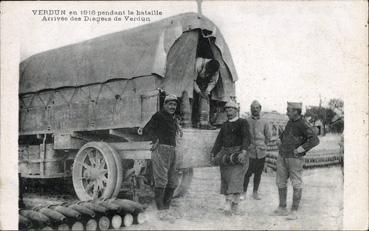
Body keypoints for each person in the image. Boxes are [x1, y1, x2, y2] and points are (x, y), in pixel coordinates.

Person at [273, 102, 319, 220]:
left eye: (288, 110)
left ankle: (294, 211)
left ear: (295, 111)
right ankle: (282, 207)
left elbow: (314, 140)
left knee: (296, 183)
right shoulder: (290, 122)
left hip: (295, 158)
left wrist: (300, 149)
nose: (286, 112)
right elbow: (284, 136)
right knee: (281, 181)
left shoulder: (303, 124)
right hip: (282, 156)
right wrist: (279, 140)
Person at [139, 94, 181, 213]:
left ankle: (166, 209)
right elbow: (146, 129)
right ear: (165, 105)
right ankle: (161, 211)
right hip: (160, 150)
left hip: (172, 150)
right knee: (161, 180)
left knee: (173, 181)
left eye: (174, 104)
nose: (172, 107)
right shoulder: (158, 115)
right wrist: (156, 139)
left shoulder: (173, 118)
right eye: (170, 104)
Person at [210, 100, 251, 216]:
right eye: (227, 109)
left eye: (231, 109)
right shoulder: (225, 125)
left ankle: (232, 206)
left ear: (236, 110)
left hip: (238, 155)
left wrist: (243, 152)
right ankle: (230, 206)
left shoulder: (243, 122)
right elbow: (219, 141)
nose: (229, 112)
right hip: (226, 156)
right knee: (227, 180)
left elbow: (246, 138)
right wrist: (213, 153)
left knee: (236, 180)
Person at [241, 100, 272, 200]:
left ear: (260, 109)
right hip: (250, 153)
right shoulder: (246, 121)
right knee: (247, 173)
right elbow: (244, 136)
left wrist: (263, 145)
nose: (255, 110)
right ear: (250, 109)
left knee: (258, 174)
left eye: (257, 108)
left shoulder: (265, 122)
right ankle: (244, 192)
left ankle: (255, 192)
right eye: (253, 108)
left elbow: (268, 136)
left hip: (261, 152)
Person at [193, 57, 220, 129]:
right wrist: (199, 92)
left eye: (211, 72)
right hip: (196, 82)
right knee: (194, 100)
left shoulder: (216, 70)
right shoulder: (198, 64)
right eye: (209, 71)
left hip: (205, 84)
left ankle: (206, 123)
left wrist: (207, 92)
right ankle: (196, 122)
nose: (209, 73)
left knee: (207, 101)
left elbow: (213, 82)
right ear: (207, 65)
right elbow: (192, 80)